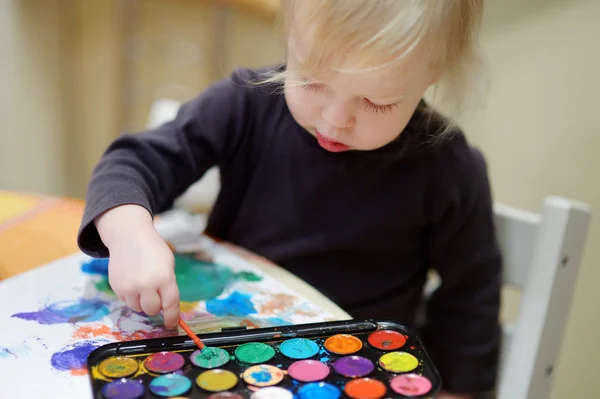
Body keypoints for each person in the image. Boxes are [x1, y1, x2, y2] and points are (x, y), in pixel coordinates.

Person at [77, 1, 501, 397]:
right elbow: (134, 161)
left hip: (358, 368)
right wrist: (129, 234)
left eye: (376, 101)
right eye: (313, 80)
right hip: (227, 351)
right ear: (292, 40)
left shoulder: (447, 168)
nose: (335, 119)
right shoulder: (247, 104)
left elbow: (471, 299)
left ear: (432, 75)